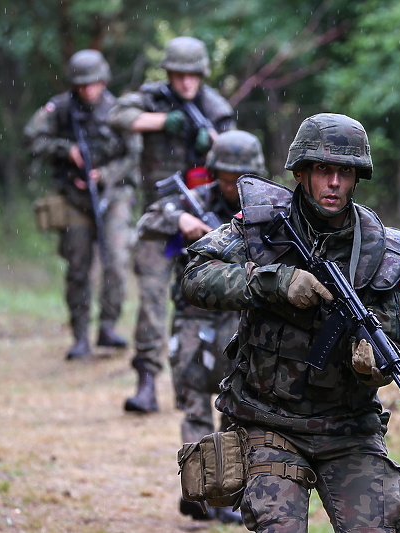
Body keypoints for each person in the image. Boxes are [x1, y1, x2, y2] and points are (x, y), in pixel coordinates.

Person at [180, 113, 400, 532]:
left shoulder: (382, 251)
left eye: (345, 172)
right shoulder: (262, 226)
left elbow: (397, 343)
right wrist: (273, 281)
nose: (334, 183)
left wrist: (373, 364)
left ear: (357, 177)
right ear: (302, 173)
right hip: (269, 421)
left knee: (380, 523)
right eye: (324, 170)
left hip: (349, 429)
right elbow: (195, 276)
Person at [135, 130, 266, 523]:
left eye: (240, 177)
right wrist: (182, 220)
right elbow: (148, 219)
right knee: (194, 403)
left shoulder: (266, 208)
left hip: (242, 317)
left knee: (236, 406)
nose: (232, 186)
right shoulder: (196, 199)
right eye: (226, 177)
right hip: (194, 315)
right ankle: (197, 492)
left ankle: (227, 495)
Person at [109, 36, 236, 413]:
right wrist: (166, 122)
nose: (185, 84)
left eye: (192, 76)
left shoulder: (216, 107)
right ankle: (146, 381)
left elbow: (237, 155)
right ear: (168, 73)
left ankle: (210, 378)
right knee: (150, 298)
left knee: (214, 301)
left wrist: (210, 144)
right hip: (160, 217)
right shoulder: (152, 98)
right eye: (179, 75)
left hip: (207, 218)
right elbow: (118, 117)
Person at [24, 49, 138, 360]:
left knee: (115, 261)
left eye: (94, 83)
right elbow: (32, 138)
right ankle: (79, 336)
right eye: (82, 85)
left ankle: (108, 327)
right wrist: (66, 150)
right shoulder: (60, 109)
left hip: (113, 196)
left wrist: (106, 175)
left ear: (103, 81)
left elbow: (133, 155)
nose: (88, 90)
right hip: (73, 199)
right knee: (78, 267)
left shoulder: (118, 111)